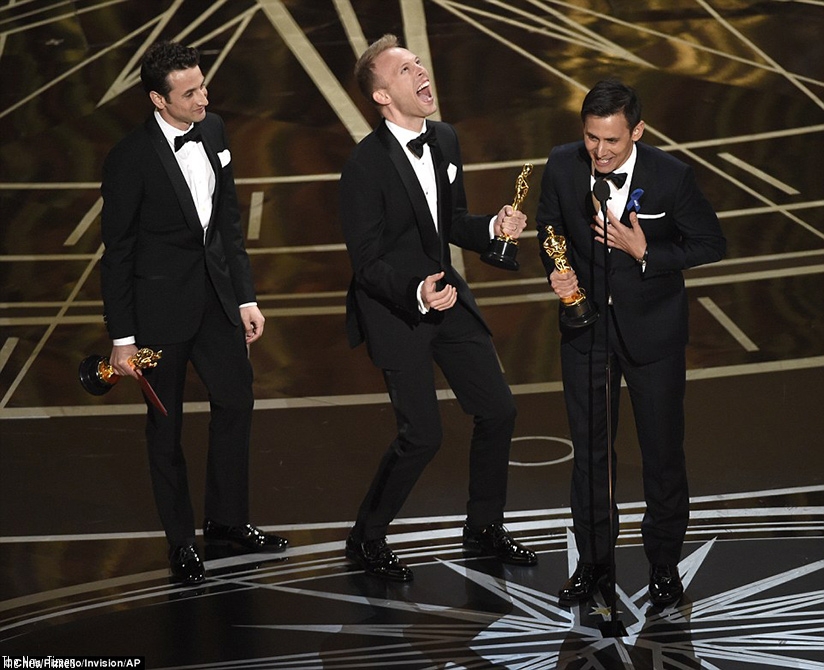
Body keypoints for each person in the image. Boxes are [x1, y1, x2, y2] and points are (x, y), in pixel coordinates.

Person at [339, 34, 537, 582]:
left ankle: (484, 526)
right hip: (397, 310)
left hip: (448, 300)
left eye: (419, 62)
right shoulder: (363, 166)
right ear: (382, 96)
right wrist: (416, 291)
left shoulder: (444, 139)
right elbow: (367, 262)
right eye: (405, 70)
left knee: (498, 410)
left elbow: (450, 222)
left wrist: (493, 227)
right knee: (422, 435)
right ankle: (367, 537)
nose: (421, 72)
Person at [99, 40, 287, 585]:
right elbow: (119, 255)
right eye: (190, 92)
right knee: (166, 429)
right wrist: (123, 336)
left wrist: (246, 297)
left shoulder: (216, 130)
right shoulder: (129, 159)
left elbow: (227, 223)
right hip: (158, 318)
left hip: (218, 304)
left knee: (237, 404)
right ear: (159, 100)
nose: (204, 98)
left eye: (203, 85)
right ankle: (181, 541)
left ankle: (227, 521)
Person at [535, 79, 725, 607]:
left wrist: (647, 252)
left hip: (654, 336)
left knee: (662, 454)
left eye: (612, 141)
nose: (599, 150)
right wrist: (560, 272)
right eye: (591, 137)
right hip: (585, 331)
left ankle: (664, 565)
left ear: (637, 131)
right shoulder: (562, 164)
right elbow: (548, 227)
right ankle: (594, 563)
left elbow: (711, 242)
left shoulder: (672, 176)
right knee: (591, 455)